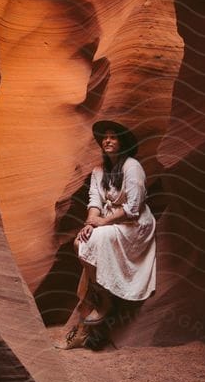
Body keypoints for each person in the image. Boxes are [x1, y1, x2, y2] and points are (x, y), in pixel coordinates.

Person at [64, 119, 156, 350]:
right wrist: (89, 223)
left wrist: (101, 223)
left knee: (98, 239)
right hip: (108, 222)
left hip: (134, 226)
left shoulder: (132, 167)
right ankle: (100, 292)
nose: (107, 140)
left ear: (122, 142)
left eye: (113, 137)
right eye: (105, 137)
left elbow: (133, 209)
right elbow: (94, 201)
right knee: (79, 242)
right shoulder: (98, 171)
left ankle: (103, 301)